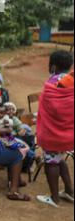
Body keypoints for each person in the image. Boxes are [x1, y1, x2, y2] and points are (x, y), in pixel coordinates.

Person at [36, 50, 74, 207]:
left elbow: (50, 107)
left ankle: (54, 198)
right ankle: (69, 192)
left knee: (51, 162)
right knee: (60, 160)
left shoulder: (51, 83)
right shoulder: (71, 81)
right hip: (68, 132)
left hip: (53, 133)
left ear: (53, 66)